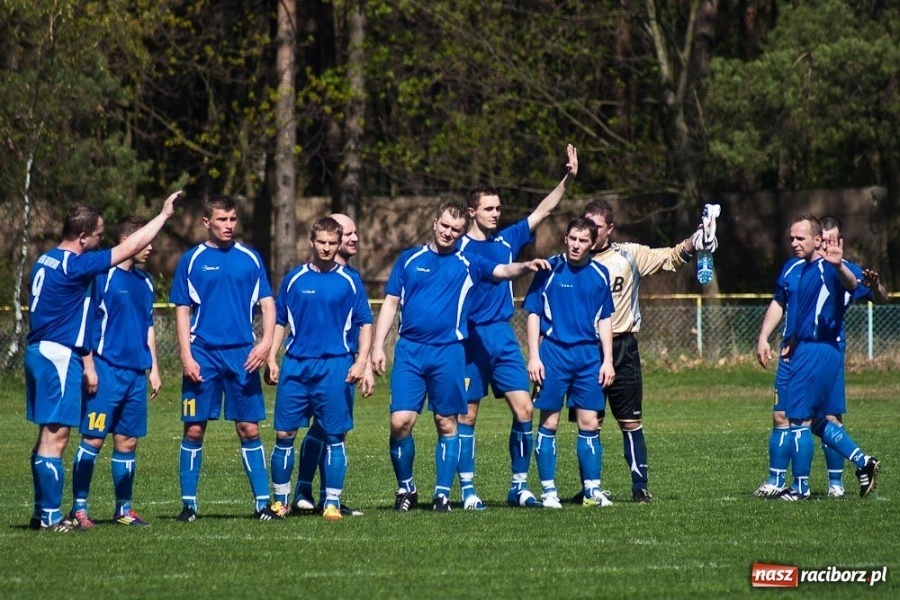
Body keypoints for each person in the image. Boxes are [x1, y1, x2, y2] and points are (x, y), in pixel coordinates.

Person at [371, 201, 549, 512]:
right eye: (444, 226)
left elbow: (502, 270)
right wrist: (377, 346)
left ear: (462, 232)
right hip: (410, 351)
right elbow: (390, 302)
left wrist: (525, 266)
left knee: (446, 422)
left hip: (450, 352)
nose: (448, 233)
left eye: (455, 229)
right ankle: (406, 488)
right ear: (434, 223)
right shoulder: (409, 259)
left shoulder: (469, 261)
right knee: (400, 423)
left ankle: (442, 494)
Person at [25, 192, 180, 531]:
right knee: (56, 437)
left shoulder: (46, 259)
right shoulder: (76, 265)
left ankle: (42, 512)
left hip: (40, 351)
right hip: (59, 355)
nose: (100, 241)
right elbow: (126, 248)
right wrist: (164, 215)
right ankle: (53, 517)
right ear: (82, 236)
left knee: (48, 435)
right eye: (97, 235)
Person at [457, 144, 578, 510]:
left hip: (502, 335)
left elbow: (543, 210)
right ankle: (467, 490)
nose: (496, 214)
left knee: (524, 410)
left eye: (498, 208)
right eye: (489, 208)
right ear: (472, 212)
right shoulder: (458, 249)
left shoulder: (507, 239)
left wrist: (568, 179)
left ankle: (519, 486)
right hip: (470, 338)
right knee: (467, 415)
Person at [574, 199, 708, 503]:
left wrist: (696, 240)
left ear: (610, 228)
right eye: (586, 223)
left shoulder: (628, 255)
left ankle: (640, 487)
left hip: (622, 347)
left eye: (596, 226)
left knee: (630, 422)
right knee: (589, 422)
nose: (589, 231)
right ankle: (590, 488)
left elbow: (671, 257)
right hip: (585, 351)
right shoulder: (573, 259)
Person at [755, 215, 887, 498]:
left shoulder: (834, 267)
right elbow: (787, 306)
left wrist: (844, 268)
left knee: (806, 418)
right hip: (797, 349)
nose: (794, 243)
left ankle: (811, 486)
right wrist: (770, 337)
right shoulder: (797, 269)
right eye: (791, 238)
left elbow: (857, 287)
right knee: (798, 417)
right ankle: (862, 462)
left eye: (800, 238)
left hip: (821, 349)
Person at [170, 194, 281, 522]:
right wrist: (186, 355)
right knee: (194, 429)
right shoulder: (191, 260)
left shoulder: (250, 258)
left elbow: (268, 304)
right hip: (203, 354)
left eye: (232, 219)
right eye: (222, 219)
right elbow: (182, 310)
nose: (229, 225)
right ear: (207, 222)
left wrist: (265, 344)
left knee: (249, 428)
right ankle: (189, 506)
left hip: (242, 356)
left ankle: (262, 505)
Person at [266, 217, 373, 521]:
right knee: (284, 432)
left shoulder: (350, 280)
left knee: (334, 434)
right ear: (311, 242)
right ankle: (281, 502)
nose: (326, 248)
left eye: (332, 243)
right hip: (296, 365)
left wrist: (361, 361)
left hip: (335, 365)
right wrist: (271, 357)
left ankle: (332, 503)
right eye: (321, 242)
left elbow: (365, 323)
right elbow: (279, 322)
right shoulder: (294, 279)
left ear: (338, 244)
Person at [67, 217, 162, 529]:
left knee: (128, 441)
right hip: (106, 370)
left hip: (136, 375)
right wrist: (89, 366)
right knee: (93, 439)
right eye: (145, 241)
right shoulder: (102, 277)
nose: (150, 247)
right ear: (127, 242)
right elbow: (85, 323)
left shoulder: (146, 282)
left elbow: (148, 327)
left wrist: (154, 368)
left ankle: (124, 510)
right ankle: (79, 509)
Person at [524, 218, 616, 508]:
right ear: (566, 238)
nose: (576, 245)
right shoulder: (548, 269)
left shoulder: (600, 274)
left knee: (589, 422)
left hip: (589, 358)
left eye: (583, 240)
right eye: (572, 238)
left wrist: (608, 361)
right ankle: (549, 492)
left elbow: (604, 319)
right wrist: (534, 356)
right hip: (553, 355)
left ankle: (592, 490)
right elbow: (533, 314)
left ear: (593, 243)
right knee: (549, 422)